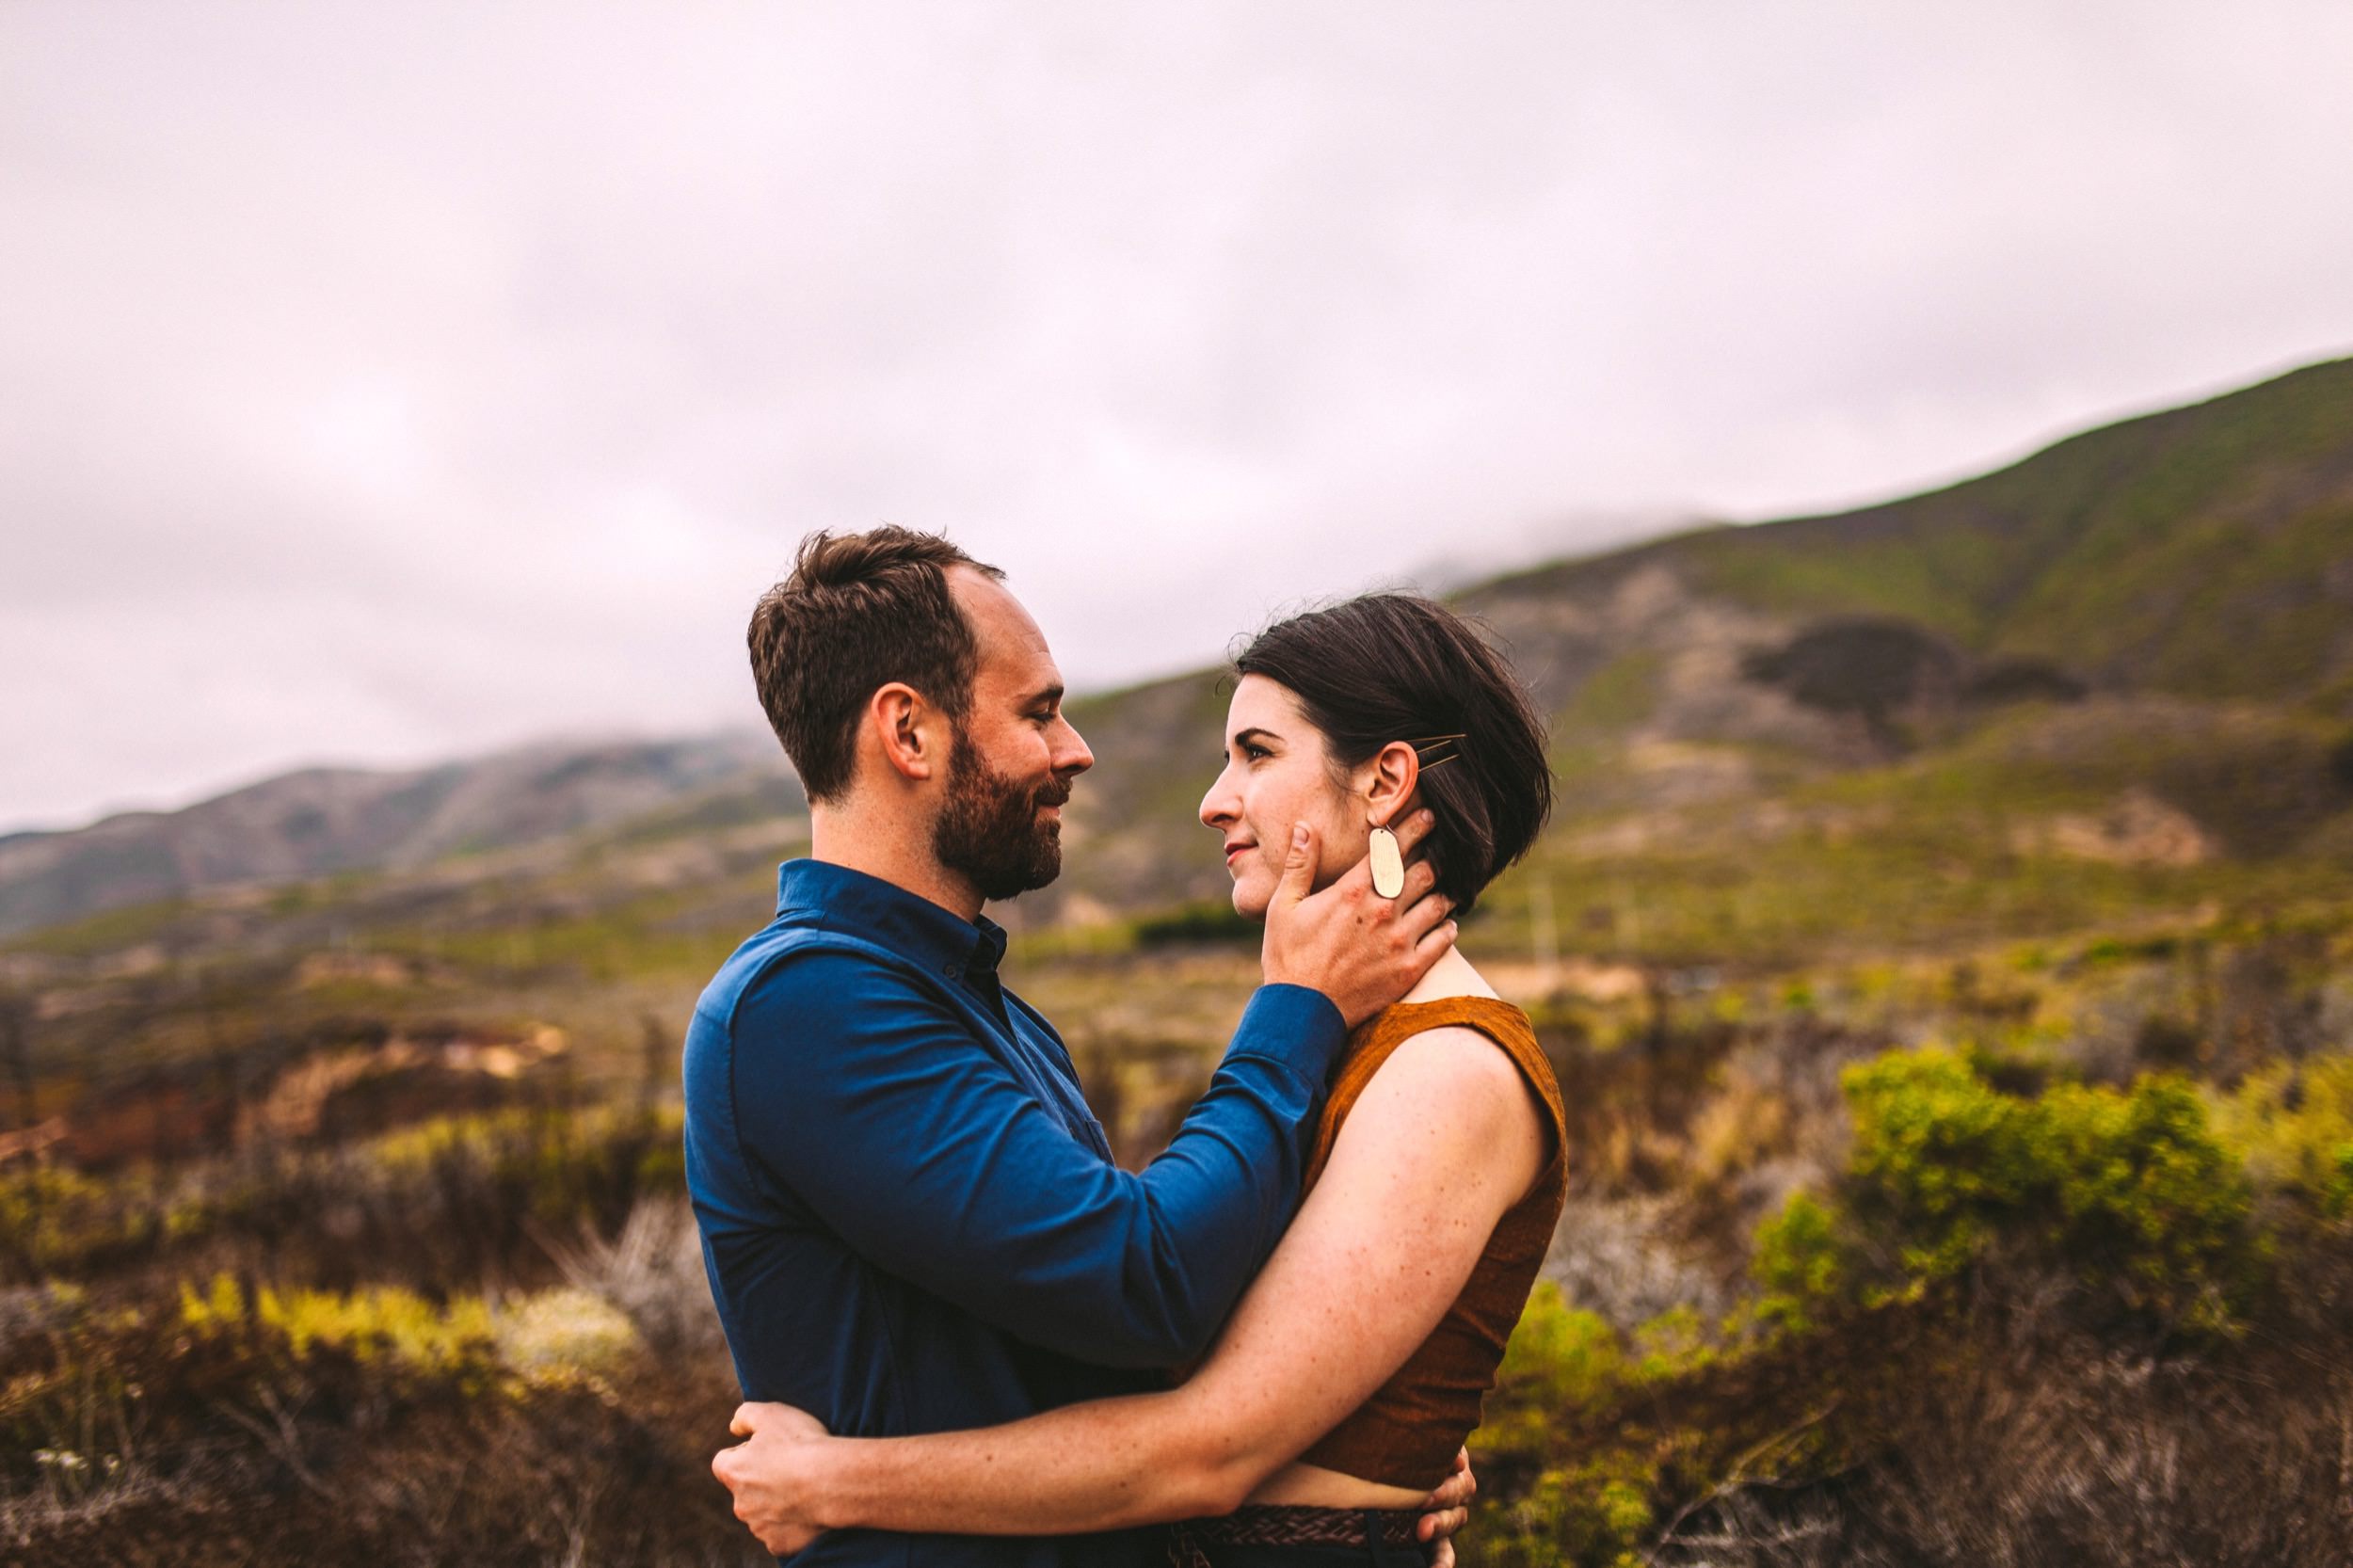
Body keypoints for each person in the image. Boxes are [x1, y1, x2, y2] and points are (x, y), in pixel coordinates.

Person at [714, 591, 1566, 1568]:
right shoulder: (1345, 1037)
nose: (1213, 797)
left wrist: (835, 1481)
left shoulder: (1447, 1067)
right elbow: (1185, 1331)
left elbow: (1207, 1446)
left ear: (1384, 785)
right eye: (1038, 712)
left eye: (1255, 751)